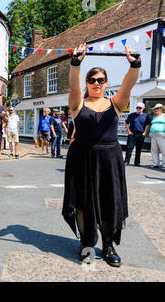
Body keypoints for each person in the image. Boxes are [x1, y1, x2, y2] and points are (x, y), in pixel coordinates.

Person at [63, 43, 141, 267]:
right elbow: (73, 88)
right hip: (83, 157)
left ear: (106, 83)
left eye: (101, 80)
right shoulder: (78, 103)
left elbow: (128, 86)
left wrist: (135, 64)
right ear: (87, 83)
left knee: (109, 202)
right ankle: (86, 245)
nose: (96, 83)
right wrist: (76, 63)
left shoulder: (115, 104)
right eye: (92, 80)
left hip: (110, 159)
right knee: (84, 203)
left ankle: (108, 246)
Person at [124, 102, 151, 166]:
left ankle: (137, 162)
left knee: (138, 149)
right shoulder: (131, 115)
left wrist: (144, 133)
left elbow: (147, 125)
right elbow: (126, 123)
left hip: (141, 134)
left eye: (140, 108)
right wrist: (129, 132)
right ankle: (126, 161)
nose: (138, 109)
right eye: (137, 107)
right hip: (132, 134)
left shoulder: (146, 116)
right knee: (129, 148)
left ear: (143, 108)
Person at [149, 103, 165, 169]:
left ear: (161, 109)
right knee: (154, 150)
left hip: (161, 134)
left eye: (157, 108)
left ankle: (164, 164)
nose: (156, 110)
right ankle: (155, 163)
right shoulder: (154, 117)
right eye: (155, 109)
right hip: (153, 135)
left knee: (164, 150)